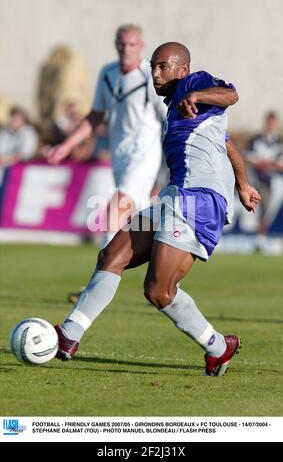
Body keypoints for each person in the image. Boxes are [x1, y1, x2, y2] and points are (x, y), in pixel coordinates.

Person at [52, 42, 261, 376]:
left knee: (158, 291)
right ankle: (68, 335)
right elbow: (226, 142)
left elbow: (230, 94)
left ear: (183, 69)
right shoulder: (175, 108)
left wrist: (200, 96)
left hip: (198, 201)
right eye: (153, 67)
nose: (155, 73)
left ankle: (219, 347)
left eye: (164, 66)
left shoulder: (194, 86)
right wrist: (244, 183)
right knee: (111, 256)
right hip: (174, 196)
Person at [48, 24, 166, 246]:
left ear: (140, 47)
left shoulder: (149, 77)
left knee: (114, 212)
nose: (126, 49)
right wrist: (66, 145)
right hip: (119, 156)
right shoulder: (107, 74)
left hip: (144, 157)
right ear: (116, 45)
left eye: (132, 44)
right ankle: (168, 279)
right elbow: (95, 116)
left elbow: (167, 118)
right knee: (142, 227)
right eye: (122, 44)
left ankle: (99, 278)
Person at [245, 111, 283, 248]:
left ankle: (260, 237)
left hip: (273, 181)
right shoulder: (256, 139)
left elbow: (280, 164)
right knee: (261, 207)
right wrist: (267, 163)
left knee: (268, 210)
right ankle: (259, 237)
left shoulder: (278, 142)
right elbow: (249, 158)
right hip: (257, 179)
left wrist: (266, 163)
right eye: (269, 122)